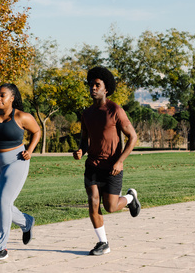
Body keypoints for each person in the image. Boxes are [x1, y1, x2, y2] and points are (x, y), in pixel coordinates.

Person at [73, 67, 140, 256]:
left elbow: (132, 137)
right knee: (93, 201)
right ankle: (103, 242)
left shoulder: (115, 110)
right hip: (92, 165)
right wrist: (80, 151)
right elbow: (84, 140)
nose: (93, 88)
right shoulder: (86, 114)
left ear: (106, 89)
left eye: (97, 85)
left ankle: (129, 198)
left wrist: (120, 161)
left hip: (112, 167)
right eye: (91, 85)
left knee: (110, 206)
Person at [0, 83, 41, 261]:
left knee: (4, 202)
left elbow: (37, 131)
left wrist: (30, 150)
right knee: (0, 204)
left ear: (12, 98)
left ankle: (1, 247)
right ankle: (26, 222)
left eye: (3, 95)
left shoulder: (22, 116)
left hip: (16, 161)